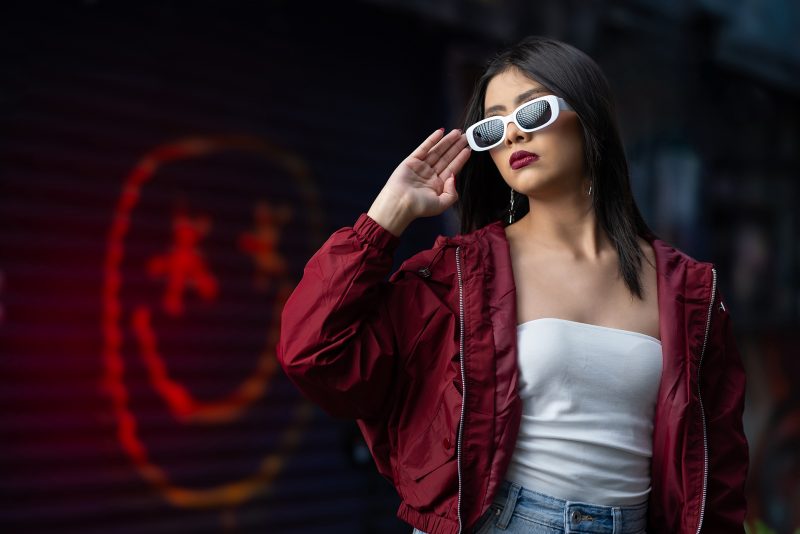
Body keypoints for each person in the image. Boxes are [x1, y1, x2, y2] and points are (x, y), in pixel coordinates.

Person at [276, 36, 748, 534]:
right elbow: (314, 351)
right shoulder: (456, 277)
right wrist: (384, 219)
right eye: (492, 125)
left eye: (531, 113)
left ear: (587, 117)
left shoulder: (689, 291)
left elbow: (718, 468)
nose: (511, 136)